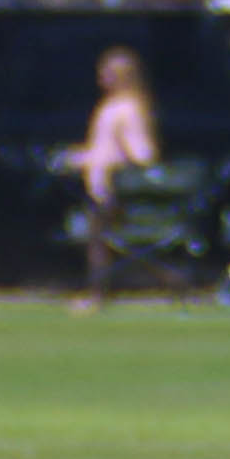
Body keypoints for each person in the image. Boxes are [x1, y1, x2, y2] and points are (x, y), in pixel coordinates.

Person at [72, 47, 160, 305]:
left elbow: (142, 153)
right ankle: (97, 290)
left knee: (99, 239)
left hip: (113, 185)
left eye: (109, 73)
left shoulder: (129, 110)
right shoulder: (109, 107)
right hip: (97, 182)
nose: (101, 77)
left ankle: (98, 293)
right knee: (95, 238)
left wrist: (113, 162)